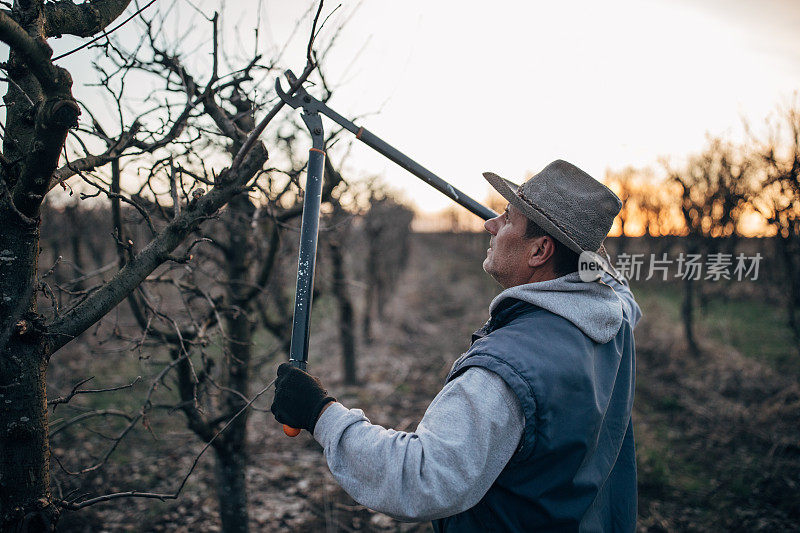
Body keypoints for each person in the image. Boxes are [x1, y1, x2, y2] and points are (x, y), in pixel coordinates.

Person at [271, 159, 642, 532]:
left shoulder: (506, 371)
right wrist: (571, 242)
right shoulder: (613, 318)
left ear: (540, 251)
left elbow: (421, 480)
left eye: (507, 218)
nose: (489, 224)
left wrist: (320, 413)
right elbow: (614, 282)